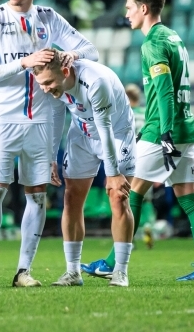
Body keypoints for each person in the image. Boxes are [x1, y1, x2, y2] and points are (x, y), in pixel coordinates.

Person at [0, 0, 98, 288]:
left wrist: (73, 55)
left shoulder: (48, 18)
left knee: (37, 196)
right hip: (3, 119)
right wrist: (25, 62)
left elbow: (91, 50)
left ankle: (23, 270)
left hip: (40, 120)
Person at [82, 0, 194, 281]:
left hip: (161, 131)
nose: (127, 13)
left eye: (130, 7)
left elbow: (165, 90)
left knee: (127, 193)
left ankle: (111, 263)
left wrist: (165, 133)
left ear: (144, 9)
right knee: (190, 197)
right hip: (186, 128)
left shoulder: (153, 42)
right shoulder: (173, 37)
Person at [32, 51, 136, 287]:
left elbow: (105, 129)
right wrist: (51, 157)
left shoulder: (95, 82)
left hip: (116, 135)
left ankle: (120, 271)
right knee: (71, 198)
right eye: (42, 84)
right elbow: (57, 114)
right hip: (82, 133)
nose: (45, 88)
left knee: (118, 197)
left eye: (48, 83)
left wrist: (113, 174)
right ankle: (72, 272)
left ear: (66, 72)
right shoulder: (52, 85)